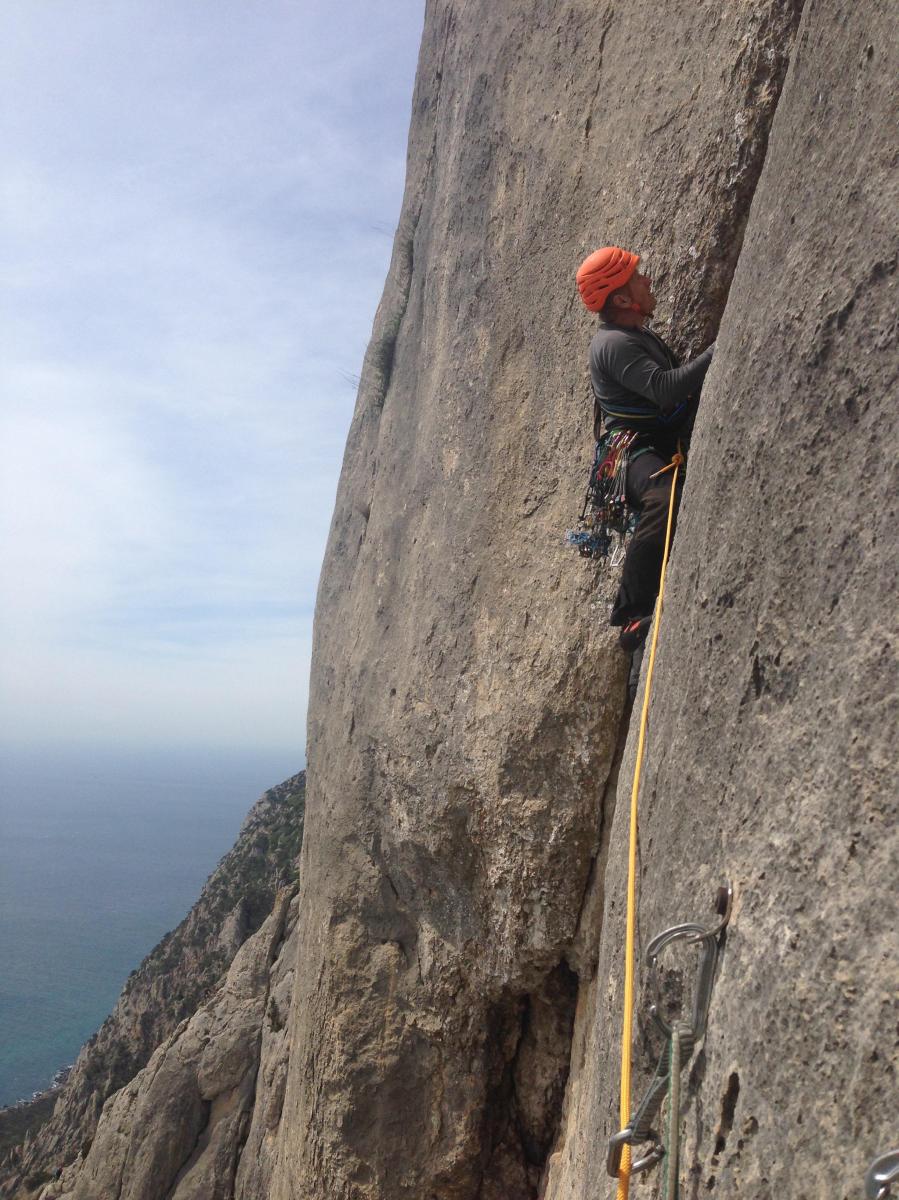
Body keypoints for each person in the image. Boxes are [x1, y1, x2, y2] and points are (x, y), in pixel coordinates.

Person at [576, 245, 716, 652]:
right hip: (631, 451)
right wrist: (716, 352)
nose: (648, 280)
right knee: (663, 495)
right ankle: (632, 613)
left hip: (652, 440)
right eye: (638, 278)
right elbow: (664, 389)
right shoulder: (614, 344)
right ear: (622, 300)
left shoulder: (633, 333)